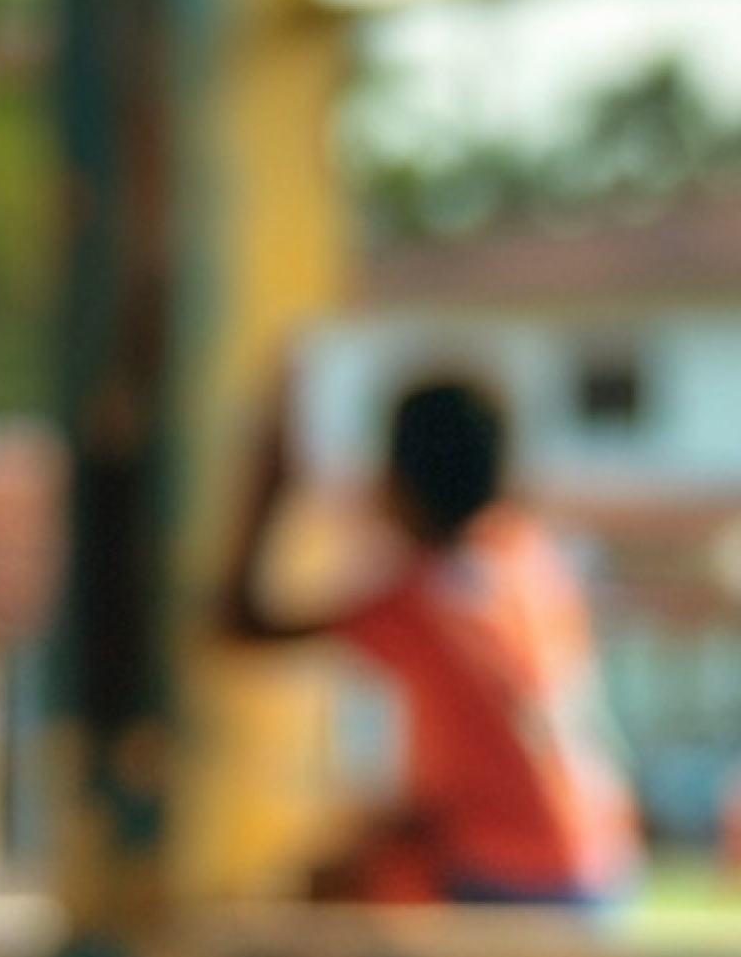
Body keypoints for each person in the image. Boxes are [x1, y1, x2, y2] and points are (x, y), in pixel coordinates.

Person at [217, 368, 640, 906]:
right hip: (600, 861)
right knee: (370, 850)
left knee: (319, 893)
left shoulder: (415, 603)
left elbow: (240, 627)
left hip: (514, 877)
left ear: (398, 483)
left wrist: (267, 487)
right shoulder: (525, 555)